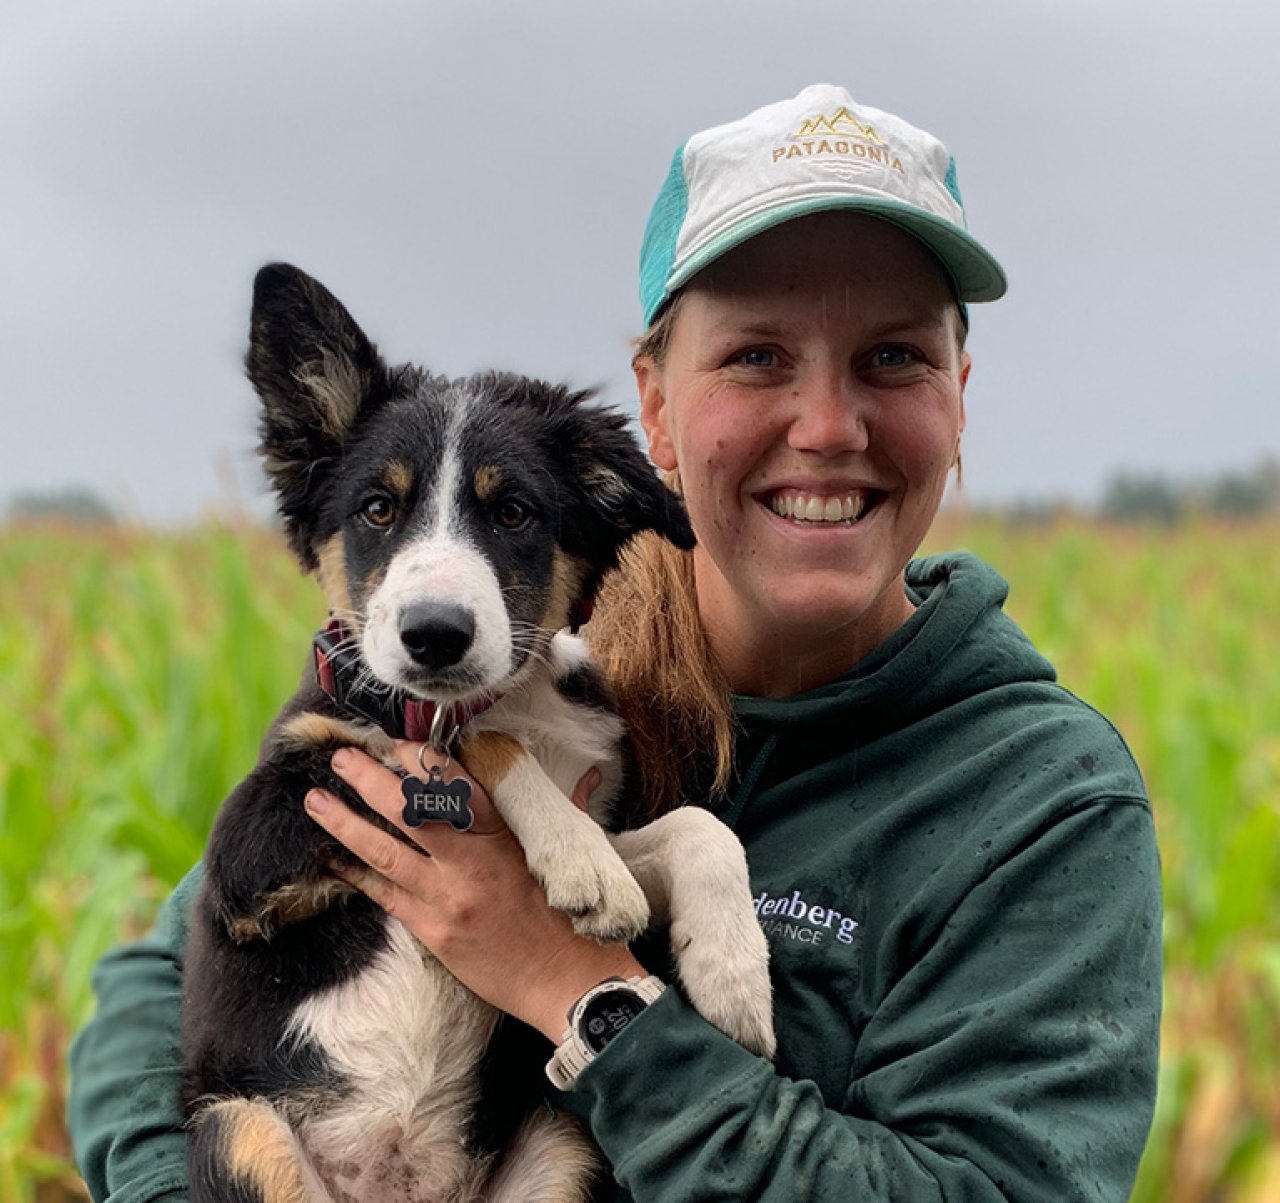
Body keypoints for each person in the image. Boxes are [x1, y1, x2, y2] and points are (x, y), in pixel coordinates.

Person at [67, 83, 1161, 1201]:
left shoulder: (1043, 802)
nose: (827, 428)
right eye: (756, 357)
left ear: (959, 394)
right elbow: (162, 988)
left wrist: (572, 989)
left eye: (892, 358)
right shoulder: (513, 674)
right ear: (653, 406)